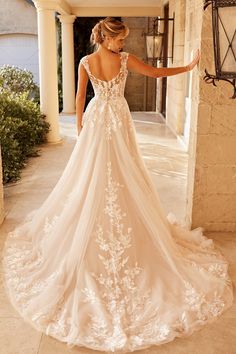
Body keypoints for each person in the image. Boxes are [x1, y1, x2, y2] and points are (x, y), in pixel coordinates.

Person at [2, 17, 233, 353]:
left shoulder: (104, 60)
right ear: (106, 38)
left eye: (123, 41)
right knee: (93, 175)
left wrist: (187, 66)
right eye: (119, 40)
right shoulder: (101, 61)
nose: (123, 45)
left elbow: (144, 77)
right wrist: (80, 129)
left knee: (123, 173)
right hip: (106, 120)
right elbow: (82, 96)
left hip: (106, 119)